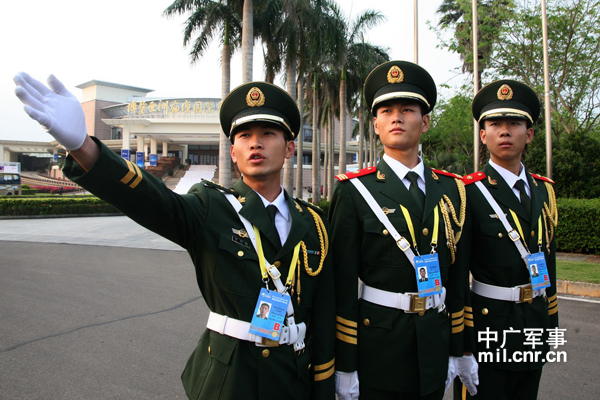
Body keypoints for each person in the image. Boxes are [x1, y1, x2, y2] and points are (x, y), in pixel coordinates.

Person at [13, 73, 336, 400]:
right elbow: (151, 199)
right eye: (244, 135)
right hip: (230, 379)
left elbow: (324, 319)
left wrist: (326, 388)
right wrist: (82, 146)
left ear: (290, 147)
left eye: (268, 133)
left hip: (294, 378)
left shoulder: (315, 224)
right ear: (234, 152)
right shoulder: (211, 207)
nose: (255, 142)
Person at [328, 60, 477, 400]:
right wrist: (346, 365)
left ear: (424, 122)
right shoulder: (354, 191)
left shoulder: (454, 190)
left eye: (407, 109)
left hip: (434, 343)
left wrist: (460, 349)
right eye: (387, 110)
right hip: (379, 347)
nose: (397, 117)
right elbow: (342, 286)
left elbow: (457, 279)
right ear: (376, 124)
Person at [456, 80, 559, 400]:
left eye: (514, 123)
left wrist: (550, 325)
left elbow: (548, 260)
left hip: (533, 327)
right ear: (483, 135)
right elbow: (458, 276)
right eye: (495, 124)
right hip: (488, 328)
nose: (505, 131)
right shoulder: (468, 192)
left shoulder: (544, 190)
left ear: (528, 134)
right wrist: (462, 345)